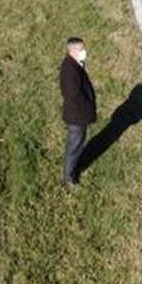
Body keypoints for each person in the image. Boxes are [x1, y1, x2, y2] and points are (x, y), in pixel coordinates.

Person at [59, 36, 96, 187]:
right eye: (81, 49)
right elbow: (73, 95)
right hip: (77, 115)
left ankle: (72, 169)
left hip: (79, 114)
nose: (84, 52)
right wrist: (87, 106)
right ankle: (68, 177)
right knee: (74, 146)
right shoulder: (69, 70)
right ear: (72, 50)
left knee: (77, 143)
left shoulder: (75, 63)